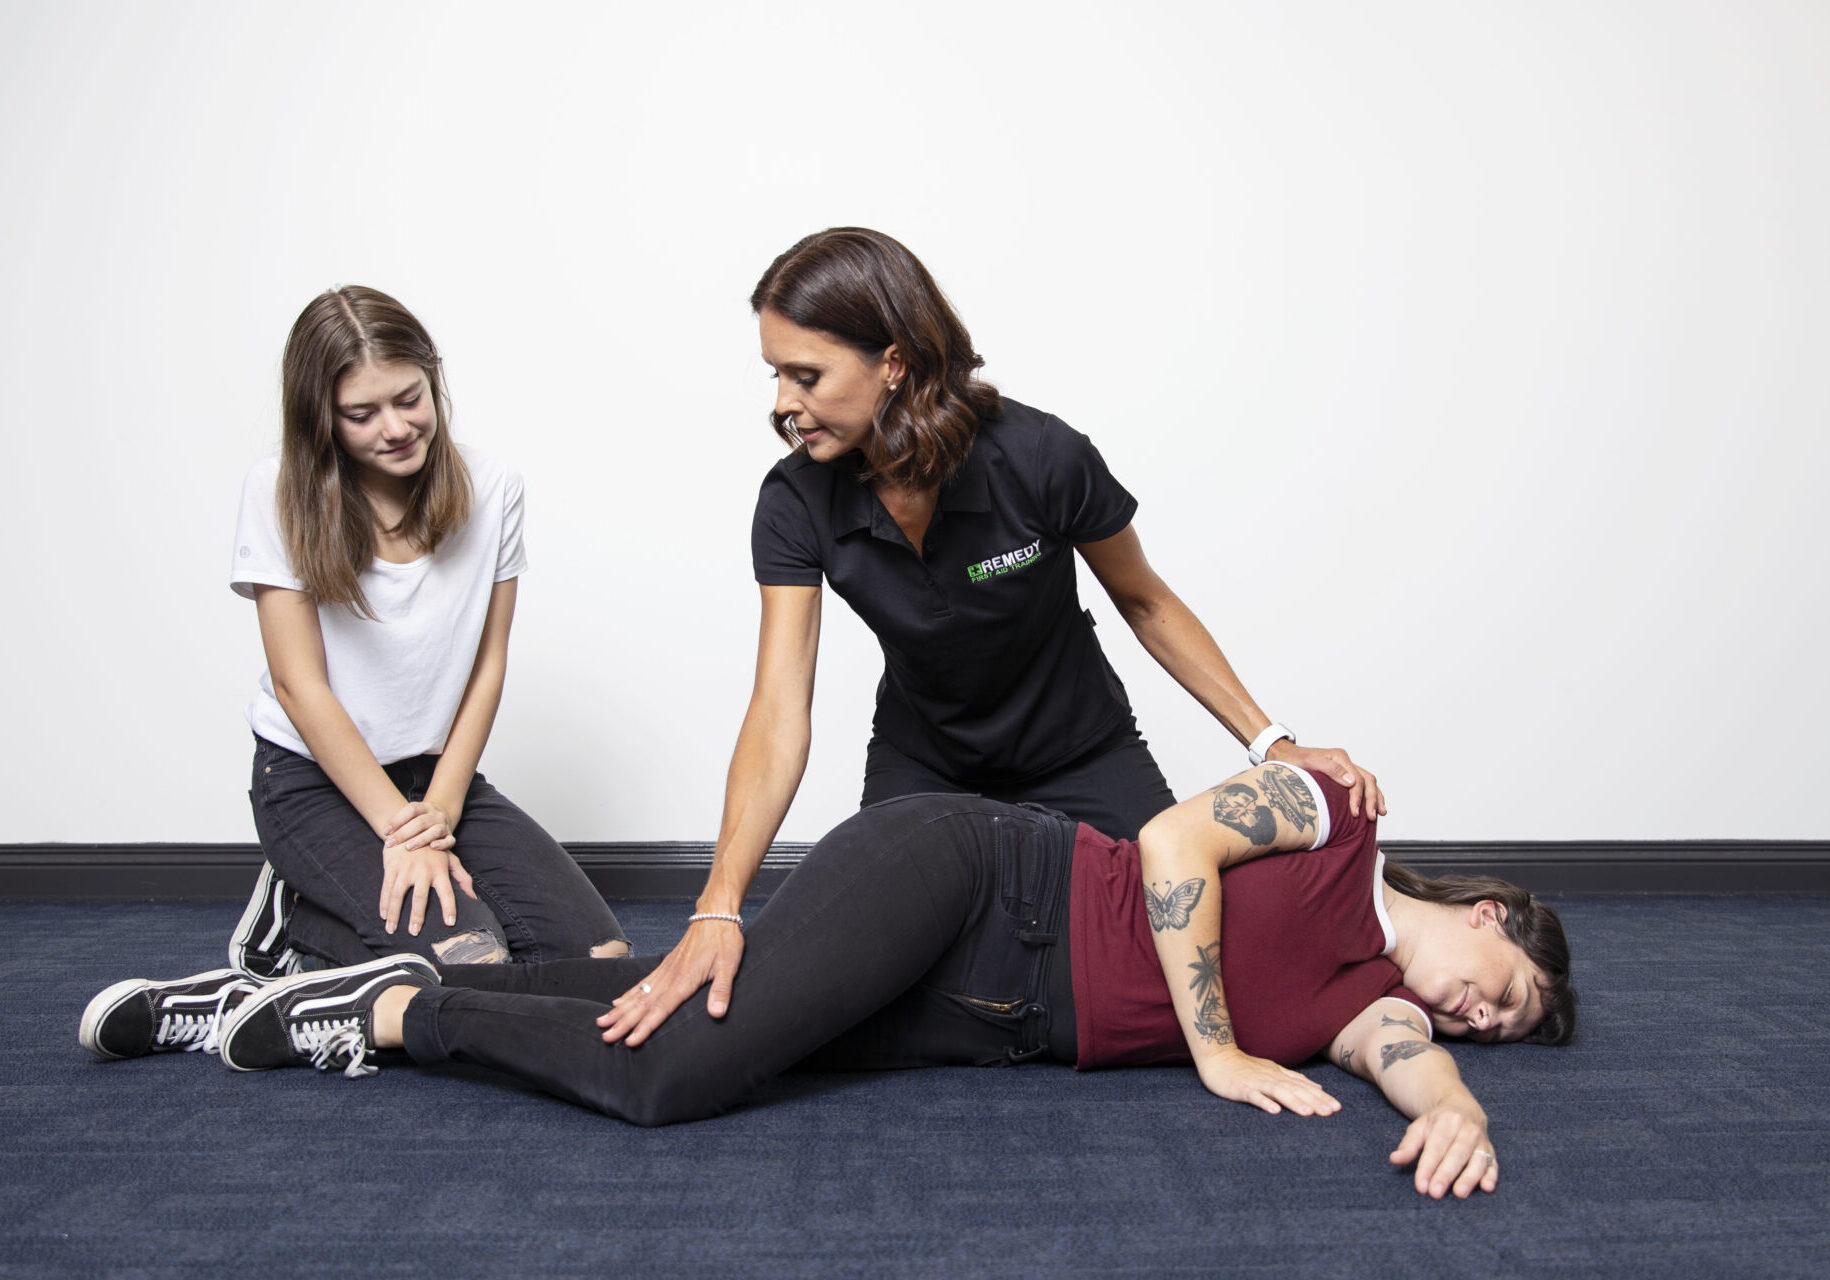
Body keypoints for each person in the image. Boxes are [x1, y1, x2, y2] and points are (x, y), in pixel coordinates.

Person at [98, 761, 1574, 1200]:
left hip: (987, 1018)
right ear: (1496, 910)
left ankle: (295, 1006)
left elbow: (1397, 1055)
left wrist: (1459, 1112)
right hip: (972, 882)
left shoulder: (1355, 1005)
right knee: (675, 1081)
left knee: (674, 1021)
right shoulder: (1339, 821)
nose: (1471, 1020)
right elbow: (1178, 842)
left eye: (1492, 1038)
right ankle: (404, 1012)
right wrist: (1208, 1047)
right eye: (1499, 991)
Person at [618, 227, 1390, 1044]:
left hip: (1082, 753)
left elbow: (1145, 600)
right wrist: (718, 905)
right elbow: (778, 710)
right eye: (776, 374)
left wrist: (1269, 742)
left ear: (894, 362)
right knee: (864, 973)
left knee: (1186, 944)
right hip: (928, 764)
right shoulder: (794, 501)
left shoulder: (1040, 457)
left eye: (805, 375)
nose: (781, 401)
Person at [217, 286, 627, 980]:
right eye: (361, 413)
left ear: (432, 379)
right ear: (322, 418)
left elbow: (487, 665)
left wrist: (439, 808)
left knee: (597, 960)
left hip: (433, 776)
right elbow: (298, 683)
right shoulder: (277, 489)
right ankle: (291, 925)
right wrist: (400, 830)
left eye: (409, 398)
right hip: (313, 779)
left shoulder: (493, 486)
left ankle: (325, 906)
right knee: (471, 965)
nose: (396, 427)